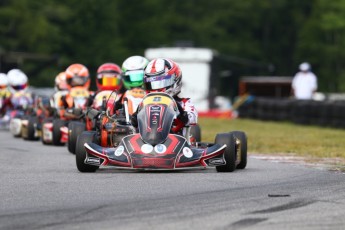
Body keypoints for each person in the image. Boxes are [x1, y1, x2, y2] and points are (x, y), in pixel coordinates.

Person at [131, 58, 198, 133]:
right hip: (146, 140)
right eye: (152, 84)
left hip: (176, 140)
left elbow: (192, 118)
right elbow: (134, 122)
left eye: (161, 82)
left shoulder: (185, 103)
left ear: (175, 79)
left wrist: (181, 115)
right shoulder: (144, 104)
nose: (156, 89)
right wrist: (134, 119)